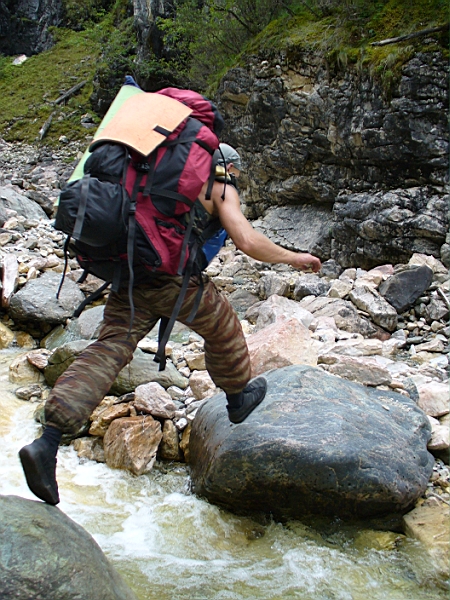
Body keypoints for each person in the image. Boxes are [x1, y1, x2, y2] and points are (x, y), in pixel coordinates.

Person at [19, 143, 321, 505]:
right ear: (225, 166)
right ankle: (238, 399)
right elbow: (246, 239)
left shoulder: (155, 181)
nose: (236, 177)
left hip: (130, 277)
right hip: (173, 281)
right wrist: (294, 258)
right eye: (236, 171)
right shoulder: (219, 186)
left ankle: (47, 442)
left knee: (109, 349)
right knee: (224, 327)